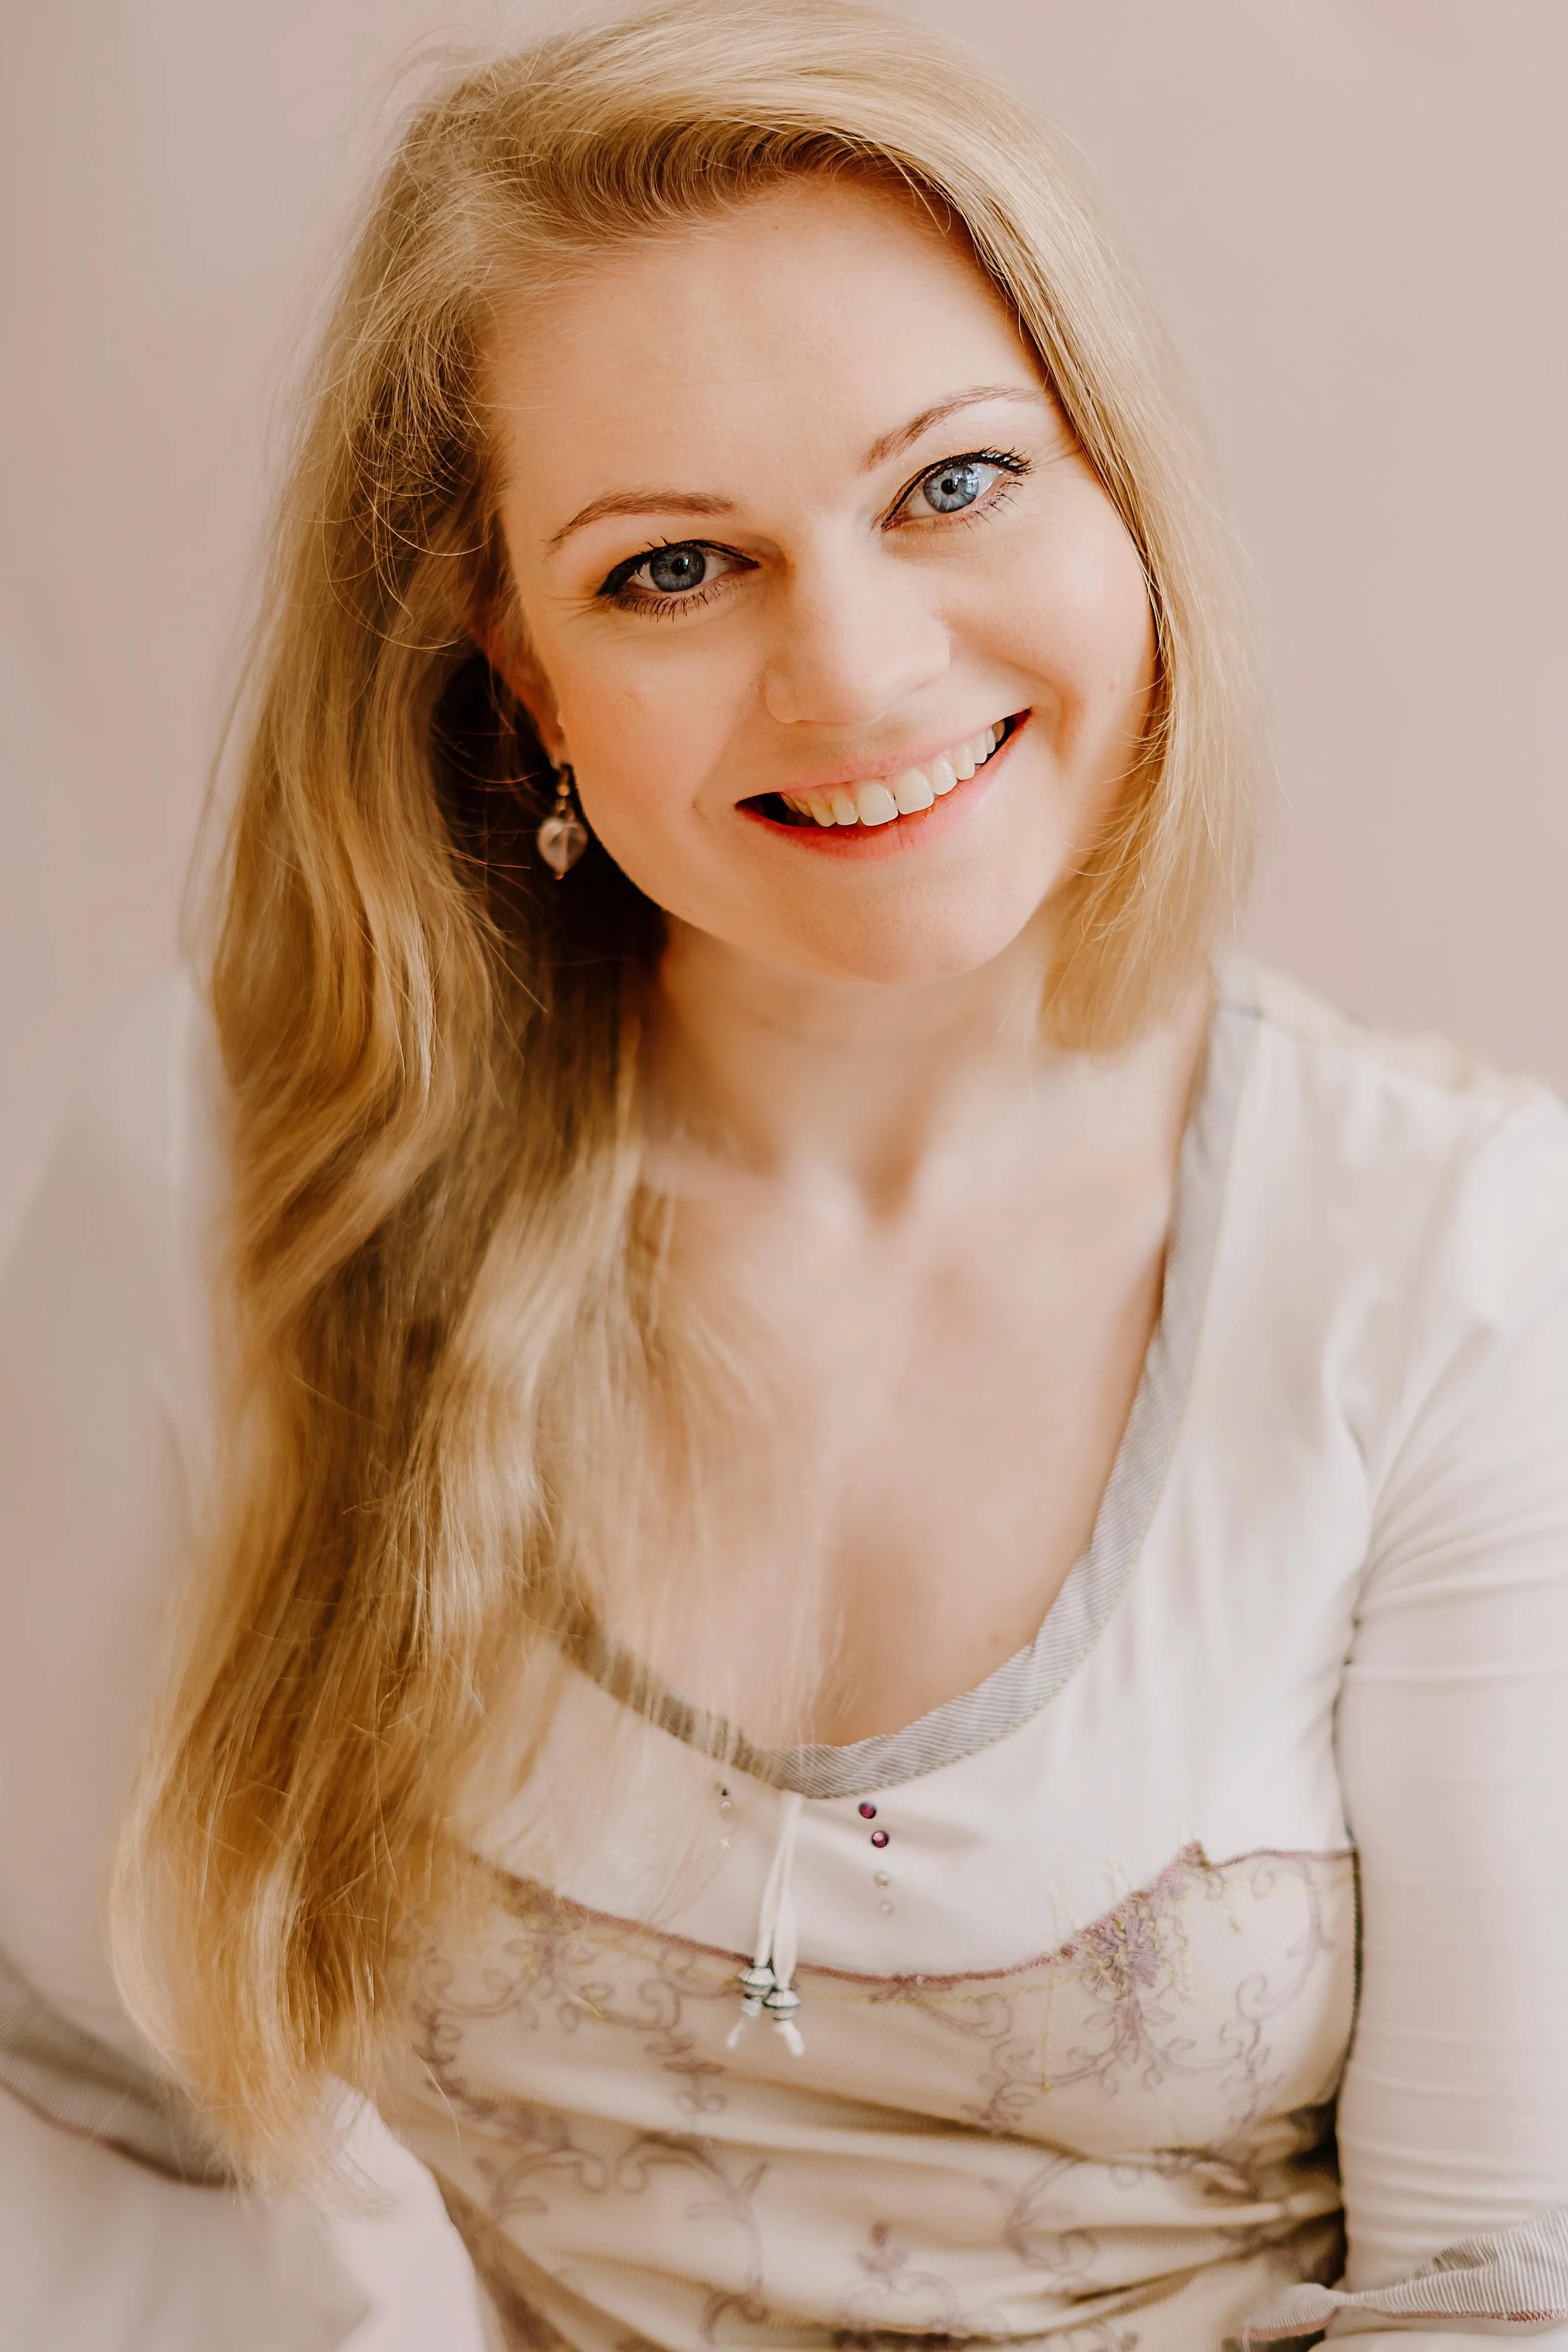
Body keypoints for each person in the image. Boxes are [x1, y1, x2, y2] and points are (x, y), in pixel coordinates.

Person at [4, 1, 1568, 2344]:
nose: (854, 673)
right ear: (510, 659)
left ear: (1121, 490)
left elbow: (1487, 2287)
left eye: (952, 483)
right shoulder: (238, 1164)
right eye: (669, 571)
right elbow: (78, 2084)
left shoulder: (1460, 1261)